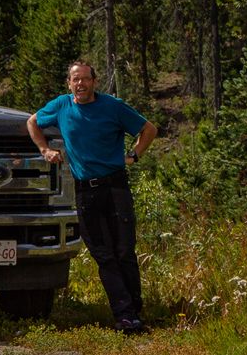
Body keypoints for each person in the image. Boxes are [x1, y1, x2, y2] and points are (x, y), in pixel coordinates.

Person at [26, 60, 158, 334]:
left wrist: (134, 156)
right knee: (103, 254)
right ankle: (125, 315)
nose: (81, 84)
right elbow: (32, 122)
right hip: (85, 189)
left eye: (86, 79)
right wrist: (44, 150)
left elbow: (149, 129)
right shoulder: (62, 106)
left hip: (116, 186)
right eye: (76, 80)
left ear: (94, 82)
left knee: (124, 250)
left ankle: (133, 311)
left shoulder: (112, 106)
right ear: (69, 83)